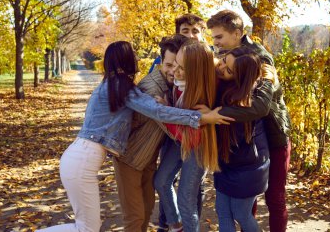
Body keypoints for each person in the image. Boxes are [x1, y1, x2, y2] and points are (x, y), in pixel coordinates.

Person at [36, 41, 229, 232]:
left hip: (81, 157)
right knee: (90, 227)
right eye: (134, 55)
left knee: (91, 226)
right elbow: (158, 112)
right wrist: (202, 117)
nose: (137, 58)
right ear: (128, 60)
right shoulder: (123, 87)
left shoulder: (115, 85)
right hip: (83, 160)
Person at [207, 10, 292, 232]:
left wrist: (216, 114)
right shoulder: (227, 58)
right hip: (249, 141)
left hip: (273, 136)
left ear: (236, 33)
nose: (215, 43)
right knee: (245, 203)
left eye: (219, 37)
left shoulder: (259, 58)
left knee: (274, 197)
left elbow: (260, 107)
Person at [112, 35, 190, 232]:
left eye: (178, 65)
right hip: (129, 159)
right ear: (160, 61)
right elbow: (172, 128)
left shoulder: (173, 85)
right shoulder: (152, 88)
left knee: (146, 212)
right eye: (168, 64)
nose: (173, 71)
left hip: (147, 160)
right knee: (135, 218)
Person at [154, 40, 220, 232]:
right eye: (176, 64)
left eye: (183, 68)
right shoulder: (179, 84)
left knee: (186, 200)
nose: (176, 71)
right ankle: (175, 225)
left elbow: (188, 133)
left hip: (195, 146)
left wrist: (166, 114)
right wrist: (170, 109)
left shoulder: (200, 96)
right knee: (161, 181)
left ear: (197, 71)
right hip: (179, 141)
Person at [213, 47, 270, 232]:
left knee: (240, 214)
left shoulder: (242, 100)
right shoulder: (226, 87)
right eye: (223, 61)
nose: (221, 67)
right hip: (228, 165)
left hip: (247, 169)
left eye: (228, 70)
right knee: (222, 210)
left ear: (240, 78)